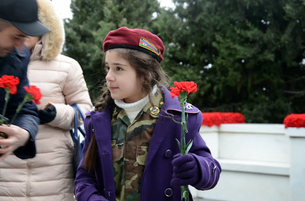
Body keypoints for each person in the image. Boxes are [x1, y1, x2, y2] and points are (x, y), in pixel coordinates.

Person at [74, 26, 221, 201]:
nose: (108, 76)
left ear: (145, 74)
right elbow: (84, 177)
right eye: (108, 68)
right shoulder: (98, 120)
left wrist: (198, 168)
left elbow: (212, 170)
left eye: (118, 69)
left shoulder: (177, 117)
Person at [0, 0, 93, 200]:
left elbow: (87, 111)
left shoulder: (68, 66)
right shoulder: (12, 57)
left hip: (53, 171)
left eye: (31, 29)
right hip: (7, 172)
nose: (25, 38)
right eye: (20, 32)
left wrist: (55, 113)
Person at [0, 0, 50, 161]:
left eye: (25, 38)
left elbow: (24, 110)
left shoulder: (19, 57)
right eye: (16, 37)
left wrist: (24, 132)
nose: (21, 46)